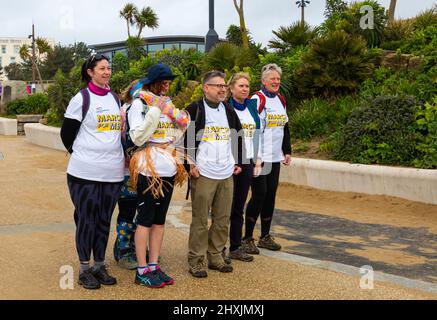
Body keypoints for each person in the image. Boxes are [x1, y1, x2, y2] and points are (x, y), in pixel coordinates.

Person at [60, 53, 124, 290]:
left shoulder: (114, 98)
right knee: (87, 220)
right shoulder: (81, 98)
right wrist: (82, 154)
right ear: (90, 72)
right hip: (84, 172)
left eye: (109, 68)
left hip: (113, 172)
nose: (107, 72)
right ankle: (85, 269)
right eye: (102, 69)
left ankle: (99, 265)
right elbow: (67, 133)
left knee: (104, 220)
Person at [128, 63, 190, 288]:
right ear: (153, 81)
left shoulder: (169, 104)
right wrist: (156, 109)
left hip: (167, 167)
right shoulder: (140, 104)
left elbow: (180, 127)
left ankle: (154, 265)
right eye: (163, 80)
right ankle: (141, 269)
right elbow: (137, 137)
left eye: (169, 80)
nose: (167, 83)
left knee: (159, 220)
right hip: (148, 167)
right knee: (145, 219)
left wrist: (174, 129)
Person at [184, 71, 245, 278]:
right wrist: (189, 163)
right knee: (200, 219)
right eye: (217, 85)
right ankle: (197, 259)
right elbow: (183, 138)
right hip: (203, 173)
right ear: (205, 87)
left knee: (222, 218)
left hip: (226, 172)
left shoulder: (227, 110)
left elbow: (238, 135)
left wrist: (238, 161)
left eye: (224, 86)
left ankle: (215, 255)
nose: (222, 89)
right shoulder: (195, 109)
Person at [242, 63, 292, 254]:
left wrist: (287, 151)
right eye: (273, 79)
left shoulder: (280, 99)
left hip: (275, 156)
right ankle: (247, 237)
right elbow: (253, 128)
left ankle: (265, 236)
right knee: (259, 194)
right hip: (259, 157)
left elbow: (284, 127)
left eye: (278, 79)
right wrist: (257, 157)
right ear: (264, 81)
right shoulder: (257, 99)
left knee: (270, 194)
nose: (276, 81)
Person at [225, 72, 261, 262]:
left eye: (247, 86)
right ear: (231, 88)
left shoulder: (251, 108)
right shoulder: (225, 108)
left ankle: (236, 246)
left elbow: (256, 133)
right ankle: (217, 248)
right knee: (224, 207)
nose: (245, 89)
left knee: (239, 206)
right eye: (241, 86)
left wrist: (257, 158)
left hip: (247, 161)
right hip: (228, 162)